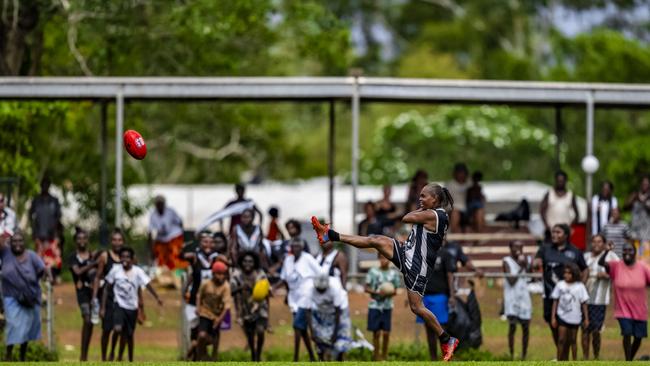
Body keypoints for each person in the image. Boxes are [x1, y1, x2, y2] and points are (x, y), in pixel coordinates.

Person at [311, 183, 460, 361]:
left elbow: (406, 217)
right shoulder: (429, 213)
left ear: (435, 199)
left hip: (417, 266)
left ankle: (447, 339)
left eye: (423, 196)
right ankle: (330, 234)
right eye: (419, 196)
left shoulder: (437, 214)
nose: (420, 199)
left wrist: (413, 211)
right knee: (376, 239)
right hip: (407, 253)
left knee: (416, 307)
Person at [102, 246, 163, 362]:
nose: (125, 259)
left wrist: (157, 297)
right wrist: (103, 307)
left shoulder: (137, 271)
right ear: (120, 258)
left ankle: (128, 358)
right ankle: (112, 352)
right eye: (123, 257)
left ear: (132, 259)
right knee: (118, 329)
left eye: (128, 257)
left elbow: (148, 284)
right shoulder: (116, 270)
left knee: (129, 335)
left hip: (132, 307)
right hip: (119, 305)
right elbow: (106, 288)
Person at [533, 223, 587, 347]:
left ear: (566, 235)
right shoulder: (545, 248)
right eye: (553, 232)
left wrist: (580, 287)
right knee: (552, 323)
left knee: (566, 326)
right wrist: (536, 263)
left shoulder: (575, 251)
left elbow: (585, 269)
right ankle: (560, 351)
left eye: (558, 232)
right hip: (549, 294)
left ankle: (565, 352)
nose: (554, 235)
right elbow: (537, 261)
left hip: (567, 298)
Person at [0, 231, 49, 361]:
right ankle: (8, 355)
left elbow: (42, 270)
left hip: (29, 297)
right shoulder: (5, 253)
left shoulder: (32, 256)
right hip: (10, 296)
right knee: (13, 324)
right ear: (9, 243)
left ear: (24, 243)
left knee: (26, 328)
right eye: (14, 241)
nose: (17, 244)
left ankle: (22, 357)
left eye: (20, 241)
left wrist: (45, 277)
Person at [599, 242, 650, 361]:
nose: (627, 253)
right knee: (627, 333)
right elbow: (601, 263)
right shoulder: (616, 266)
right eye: (625, 250)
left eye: (630, 250)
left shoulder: (642, 267)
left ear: (635, 253)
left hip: (639, 310)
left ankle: (629, 360)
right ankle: (628, 361)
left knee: (638, 337)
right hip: (622, 309)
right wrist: (607, 251)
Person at [276, 238, 320, 362]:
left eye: (297, 246)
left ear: (302, 247)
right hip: (293, 297)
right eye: (293, 246)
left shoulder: (308, 258)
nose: (295, 248)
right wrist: (274, 288)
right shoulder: (288, 260)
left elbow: (320, 273)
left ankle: (295, 358)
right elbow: (284, 278)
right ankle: (312, 357)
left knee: (297, 326)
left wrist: (317, 292)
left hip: (306, 296)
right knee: (302, 329)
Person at [181, 231, 221, 361]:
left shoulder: (217, 259)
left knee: (210, 332)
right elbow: (181, 256)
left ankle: (204, 352)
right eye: (205, 241)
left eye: (211, 242)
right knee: (195, 330)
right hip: (195, 300)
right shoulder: (195, 257)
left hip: (212, 302)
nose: (208, 244)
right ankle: (197, 354)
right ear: (200, 243)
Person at [582, 234, 619, 360]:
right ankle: (586, 358)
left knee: (596, 331)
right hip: (584, 299)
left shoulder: (611, 256)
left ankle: (596, 356)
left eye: (599, 242)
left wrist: (608, 275)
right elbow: (579, 272)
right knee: (585, 329)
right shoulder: (585, 256)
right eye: (594, 241)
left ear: (604, 243)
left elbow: (618, 271)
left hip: (599, 299)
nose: (596, 244)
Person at [92, 228, 125, 361]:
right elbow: (98, 277)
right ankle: (104, 357)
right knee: (106, 330)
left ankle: (113, 352)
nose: (117, 243)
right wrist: (95, 298)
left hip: (122, 299)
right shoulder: (105, 256)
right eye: (114, 240)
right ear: (111, 242)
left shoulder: (127, 257)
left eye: (119, 240)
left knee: (119, 329)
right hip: (108, 297)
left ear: (123, 241)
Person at [230, 251, 269, 361]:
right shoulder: (236, 274)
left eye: (250, 261)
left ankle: (258, 354)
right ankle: (253, 354)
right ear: (241, 262)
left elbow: (266, 290)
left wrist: (256, 289)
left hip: (260, 307)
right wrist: (241, 287)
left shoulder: (260, 273)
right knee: (250, 334)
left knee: (260, 331)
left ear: (254, 262)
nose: (248, 264)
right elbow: (231, 291)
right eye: (245, 261)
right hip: (245, 308)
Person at [418, 245, 455, 361]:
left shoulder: (446, 254)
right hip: (425, 296)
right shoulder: (423, 253)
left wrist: (452, 295)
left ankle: (447, 357)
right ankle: (433, 359)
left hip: (440, 296)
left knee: (441, 328)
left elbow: (450, 275)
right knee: (429, 329)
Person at [69, 227, 99, 361]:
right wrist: (94, 264)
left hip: (94, 291)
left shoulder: (93, 255)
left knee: (91, 322)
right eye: (79, 238)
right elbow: (78, 272)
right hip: (82, 293)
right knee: (86, 319)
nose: (82, 241)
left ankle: (85, 354)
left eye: (84, 238)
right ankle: (83, 355)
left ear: (88, 240)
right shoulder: (73, 257)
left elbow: (99, 271)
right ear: (75, 241)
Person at [365, 253, 401, 361]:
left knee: (386, 333)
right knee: (376, 332)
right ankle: (376, 356)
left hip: (387, 306)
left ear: (389, 260)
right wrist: (377, 292)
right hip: (374, 305)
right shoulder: (373, 271)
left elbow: (395, 290)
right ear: (379, 259)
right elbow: (366, 288)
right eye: (381, 258)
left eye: (386, 258)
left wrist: (389, 292)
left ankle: (384, 356)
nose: (384, 260)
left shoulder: (393, 274)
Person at [307, 274, 351, 361]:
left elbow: (338, 312)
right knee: (321, 338)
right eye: (318, 290)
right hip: (322, 312)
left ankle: (340, 359)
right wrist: (312, 332)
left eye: (322, 291)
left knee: (340, 341)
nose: (320, 293)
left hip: (340, 312)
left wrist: (335, 334)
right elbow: (308, 312)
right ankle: (322, 359)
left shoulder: (335, 289)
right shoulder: (310, 290)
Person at [550, 262, 589, 361]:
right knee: (561, 340)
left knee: (573, 341)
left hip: (575, 317)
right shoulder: (560, 285)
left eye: (569, 273)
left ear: (574, 274)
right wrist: (553, 317)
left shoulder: (580, 286)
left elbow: (584, 303)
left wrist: (586, 319)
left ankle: (574, 360)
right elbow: (555, 300)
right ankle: (560, 360)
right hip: (562, 317)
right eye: (565, 273)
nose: (566, 275)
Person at [195, 261, 231, 361]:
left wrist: (219, 320)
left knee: (215, 339)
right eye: (218, 274)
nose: (221, 277)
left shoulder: (226, 287)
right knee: (202, 336)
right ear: (213, 274)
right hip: (205, 312)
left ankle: (213, 357)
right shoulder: (206, 284)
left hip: (217, 315)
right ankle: (200, 356)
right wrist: (198, 308)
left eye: (223, 274)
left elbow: (227, 307)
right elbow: (199, 296)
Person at [502, 241, 532, 360]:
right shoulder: (506, 261)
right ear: (510, 248)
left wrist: (527, 265)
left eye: (520, 247)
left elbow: (531, 276)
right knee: (512, 327)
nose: (518, 249)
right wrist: (521, 267)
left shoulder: (525, 260)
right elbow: (511, 281)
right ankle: (511, 354)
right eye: (515, 247)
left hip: (524, 297)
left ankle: (524, 356)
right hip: (511, 298)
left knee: (525, 328)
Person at [28, 177, 62, 280]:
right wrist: (34, 234)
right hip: (39, 235)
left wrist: (57, 235)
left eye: (47, 185)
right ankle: (40, 277)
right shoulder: (36, 200)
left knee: (54, 258)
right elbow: (30, 216)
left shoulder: (54, 201)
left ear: (49, 186)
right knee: (39, 258)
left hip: (52, 235)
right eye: (43, 185)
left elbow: (58, 218)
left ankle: (53, 277)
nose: (45, 187)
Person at [148, 195, 186, 271]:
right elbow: (150, 233)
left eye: (161, 204)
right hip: (162, 239)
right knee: (161, 257)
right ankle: (163, 273)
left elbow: (180, 222)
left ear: (164, 204)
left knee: (174, 256)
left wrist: (182, 239)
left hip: (174, 236)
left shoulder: (171, 211)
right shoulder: (153, 215)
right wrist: (152, 249)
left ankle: (177, 272)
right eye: (158, 204)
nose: (160, 206)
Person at [540, 171, 579, 241]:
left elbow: (577, 214)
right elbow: (542, 211)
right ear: (555, 181)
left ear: (565, 181)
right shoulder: (549, 194)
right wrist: (546, 225)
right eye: (558, 181)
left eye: (562, 181)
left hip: (565, 232)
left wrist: (570, 227)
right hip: (551, 231)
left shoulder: (570, 195)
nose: (560, 182)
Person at [625, 175, 650, 261]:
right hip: (634, 232)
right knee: (635, 256)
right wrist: (633, 198)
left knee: (646, 257)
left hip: (646, 233)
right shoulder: (635, 195)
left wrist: (643, 200)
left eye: (647, 184)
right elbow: (625, 207)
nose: (645, 186)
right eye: (643, 184)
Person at [446, 163, 471, 233]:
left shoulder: (470, 184)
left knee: (479, 212)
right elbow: (446, 203)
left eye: (463, 173)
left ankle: (478, 239)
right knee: (455, 214)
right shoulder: (449, 185)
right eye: (459, 173)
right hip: (453, 211)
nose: (461, 175)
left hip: (467, 211)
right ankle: (453, 238)